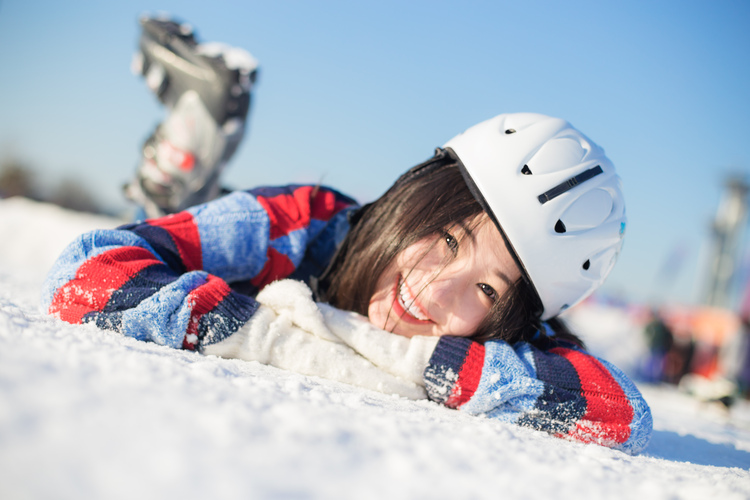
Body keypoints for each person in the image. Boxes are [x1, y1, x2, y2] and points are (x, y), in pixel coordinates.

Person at [42, 16, 652, 454]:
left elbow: (622, 412)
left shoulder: (510, 337)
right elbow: (85, 272)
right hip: (244, 247)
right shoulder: (308, 222)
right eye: (447, 238)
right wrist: (268, 338)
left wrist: (391, 357)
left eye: (489, 291)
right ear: (419, 195)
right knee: (182, 209)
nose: (438, 289)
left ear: (512, 319)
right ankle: (189, 141)